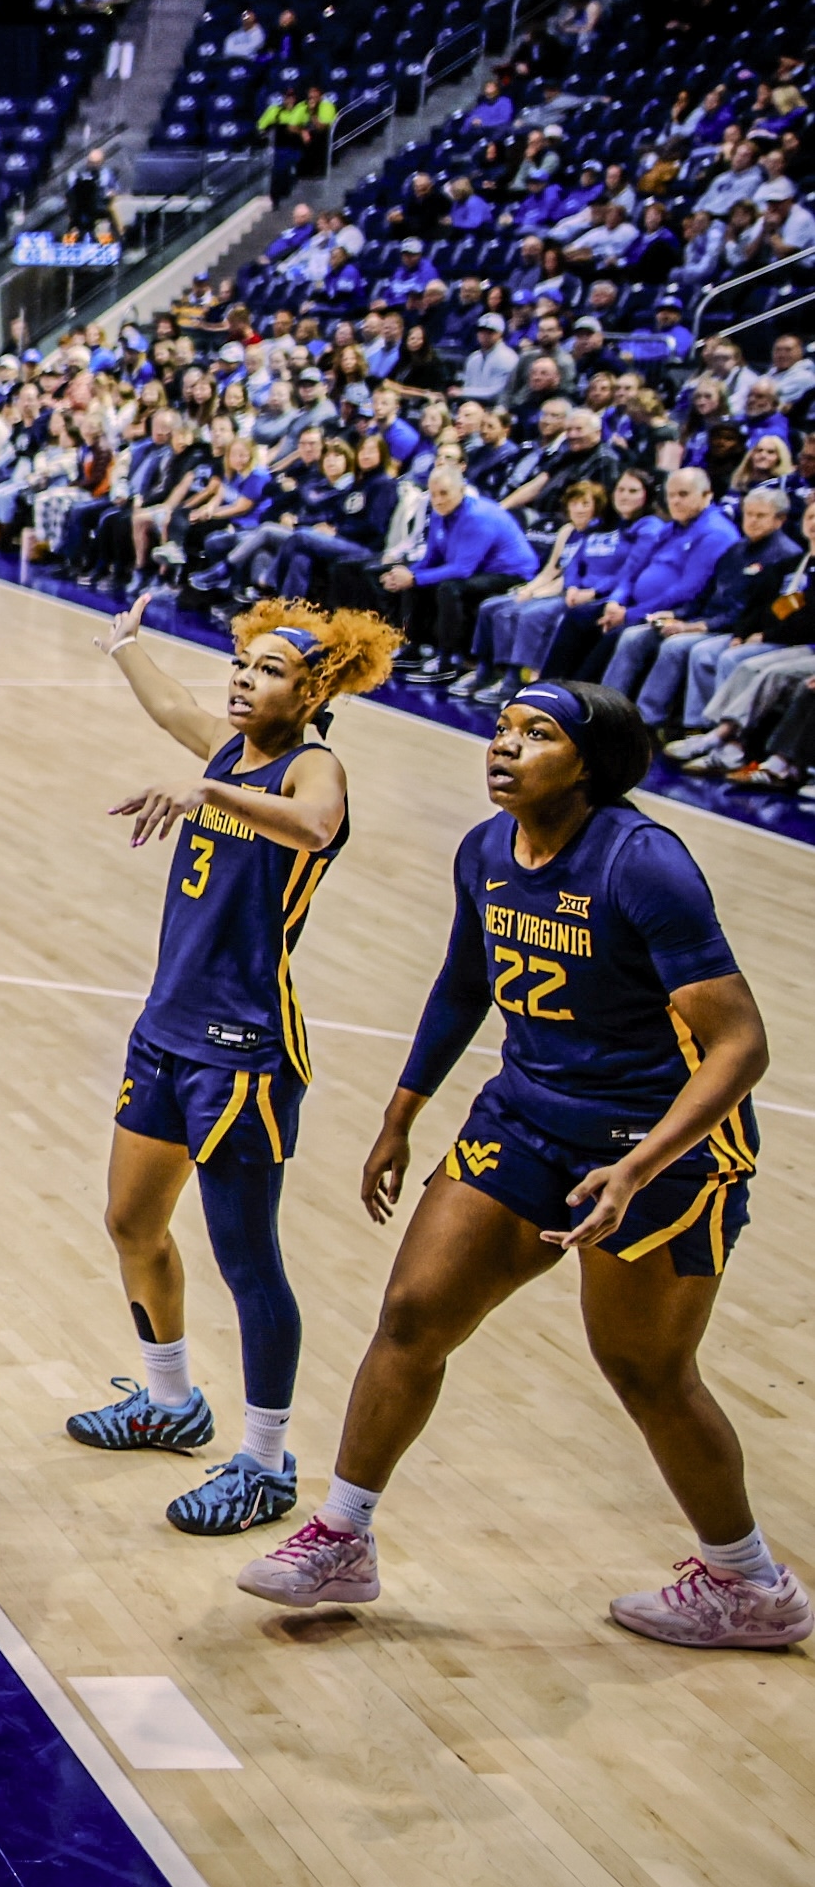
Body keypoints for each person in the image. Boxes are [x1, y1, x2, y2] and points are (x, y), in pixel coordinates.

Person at [238, 684, 800, 1648]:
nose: (505, 746)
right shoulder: (486, 849)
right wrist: (401, 1111)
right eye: (503, 729)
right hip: (527, 1118)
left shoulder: (643, 863)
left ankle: (752, 1583)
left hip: (660, 1149)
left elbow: (740, 1046)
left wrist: (636, 1169)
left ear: (590, 763)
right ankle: (344, 1532)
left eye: (538, 735)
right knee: (413, 1311)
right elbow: (464, 984)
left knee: (646, 1369)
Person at [72, 592, 398, 1536]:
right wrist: (128, 648)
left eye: (269, 671)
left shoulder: (312, 766)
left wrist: (208, 793)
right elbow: (179, 710)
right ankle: (171, 1401)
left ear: (314, 689)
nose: (244, 680)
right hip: (166, 1031)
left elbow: (315, 824)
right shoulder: (229, 748)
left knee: (247, 1258)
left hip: (245, 1050)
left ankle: (264, 1460)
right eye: (243, 664)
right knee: (132, 1220)